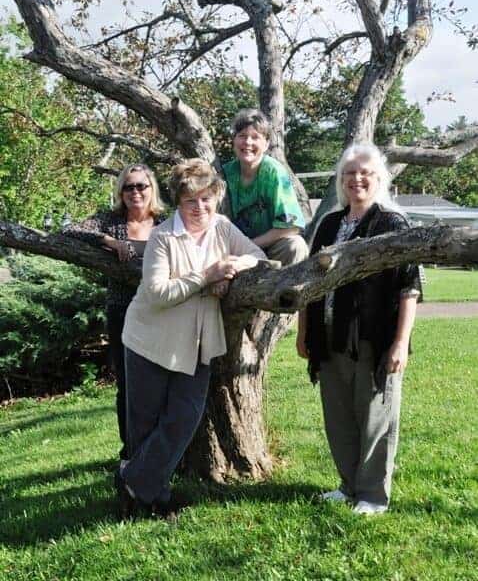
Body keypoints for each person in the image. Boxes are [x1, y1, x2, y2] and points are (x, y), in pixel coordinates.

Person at [118, 159, 266, 520]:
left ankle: (131, 481)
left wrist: (230, 269)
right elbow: (156, 293)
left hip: (197, 343)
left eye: (206, 199)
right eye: (190, 201)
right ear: (178, 203)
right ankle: (151, 499)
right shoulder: (162, 237)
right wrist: (206, 275)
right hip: (150, 340)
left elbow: (257, 256)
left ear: (216, 197)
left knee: (184, 417)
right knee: (146, 425)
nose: (200, 208)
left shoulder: (222, 228)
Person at [296, 143, 421, 515]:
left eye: (365, 172)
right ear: (340, 181)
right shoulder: (330, 224)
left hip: (372, 337)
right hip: (329, 336)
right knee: (339, 415)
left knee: (374, 416)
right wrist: (304, 332)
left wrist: (400, 343)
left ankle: (372, 495)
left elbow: (409, 287)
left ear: (379, 178)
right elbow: (307, 282)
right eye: (349, 173)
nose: (357, 179)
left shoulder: (392, 224)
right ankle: (348, 485)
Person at [63, 163, 164, 464]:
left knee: (161, 382)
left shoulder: (166, 221)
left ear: (151, 189)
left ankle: (163, 451)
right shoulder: (110, 220)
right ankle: (130, 452)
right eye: (128, 187)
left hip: (162, 312)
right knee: (128, 386)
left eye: (141, 186)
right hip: (122, 311)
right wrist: (109, 241)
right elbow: (70, 229)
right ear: (121, 192)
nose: (135, 192)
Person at [223, 108, 309, 266]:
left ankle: (290, 290)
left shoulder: (274, 172)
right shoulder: (224, 173)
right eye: (242, 136)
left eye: (255, 137)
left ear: (266, 143)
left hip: (269, 247)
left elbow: (291, 227)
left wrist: (249, 246)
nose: (248, 142)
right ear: (233, 141)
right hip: (232, 249)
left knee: (296, 246)